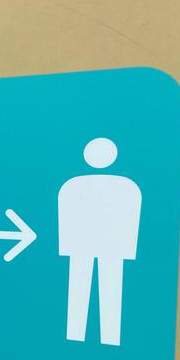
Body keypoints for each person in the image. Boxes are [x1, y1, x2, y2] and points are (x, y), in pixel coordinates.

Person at [58, 138, 141, 347]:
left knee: (89, 289)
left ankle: (90, 338)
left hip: (92, 248)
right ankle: (93, 338)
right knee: (105, 289)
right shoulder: (128, 187)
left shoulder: (71, 185)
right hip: (103, 248)